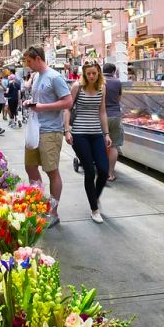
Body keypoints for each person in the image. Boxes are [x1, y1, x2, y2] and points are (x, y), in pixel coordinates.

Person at [22, 45, 73, 226]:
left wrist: (42, 107)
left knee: (52, 171)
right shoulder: (35, 77)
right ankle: (38, 205)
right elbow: (40, 100)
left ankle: (53, 212)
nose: (27, 65)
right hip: (35, 129)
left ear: (38, 58)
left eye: (29, 61)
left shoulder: (54, 77)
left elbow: (68, 101)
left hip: (51, 131)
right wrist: (31, 103)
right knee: (30, 167)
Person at [64, 61, 112, 223]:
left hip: (97, 133)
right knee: (90, 171)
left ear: (99, 73)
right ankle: (94, 209)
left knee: (104, 170)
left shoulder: (102, 88)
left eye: (94, 73)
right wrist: (67, 130)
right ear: (84, 74)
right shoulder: (77, 87)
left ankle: (94, 197)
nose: (91, 76)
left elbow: (102, 111)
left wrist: (106, 134)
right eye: (88, 74)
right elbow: (68, 109)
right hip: (79, 134)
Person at [102, 63, 123, 181]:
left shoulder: (99, 81)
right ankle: (110, 174)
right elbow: (119, 99)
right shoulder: (117, 82)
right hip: (115, 115)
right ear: (114, 71)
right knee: (113, 145)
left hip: (101, 117)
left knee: (100, 144)